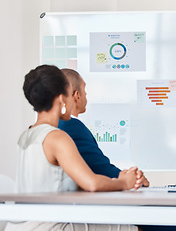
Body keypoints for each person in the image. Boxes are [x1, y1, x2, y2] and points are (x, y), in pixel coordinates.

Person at [58, 68, 176, 231]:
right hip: (100, 204)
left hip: (94, 202)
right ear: (76, 95)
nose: (87, 96)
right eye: (85, 91)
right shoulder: (71, 126)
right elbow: (100, 168)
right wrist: (132, 180)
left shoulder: (60, 127)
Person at [7, 65, 141, 231]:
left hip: (20, 225)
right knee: (134, 228)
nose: (74, 100)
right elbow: (91, 183)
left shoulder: (27, 135)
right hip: (50, 226)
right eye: (71, 94)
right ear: (61, 99)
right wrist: (124, 182)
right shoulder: (57, 137)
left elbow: (59, 183)